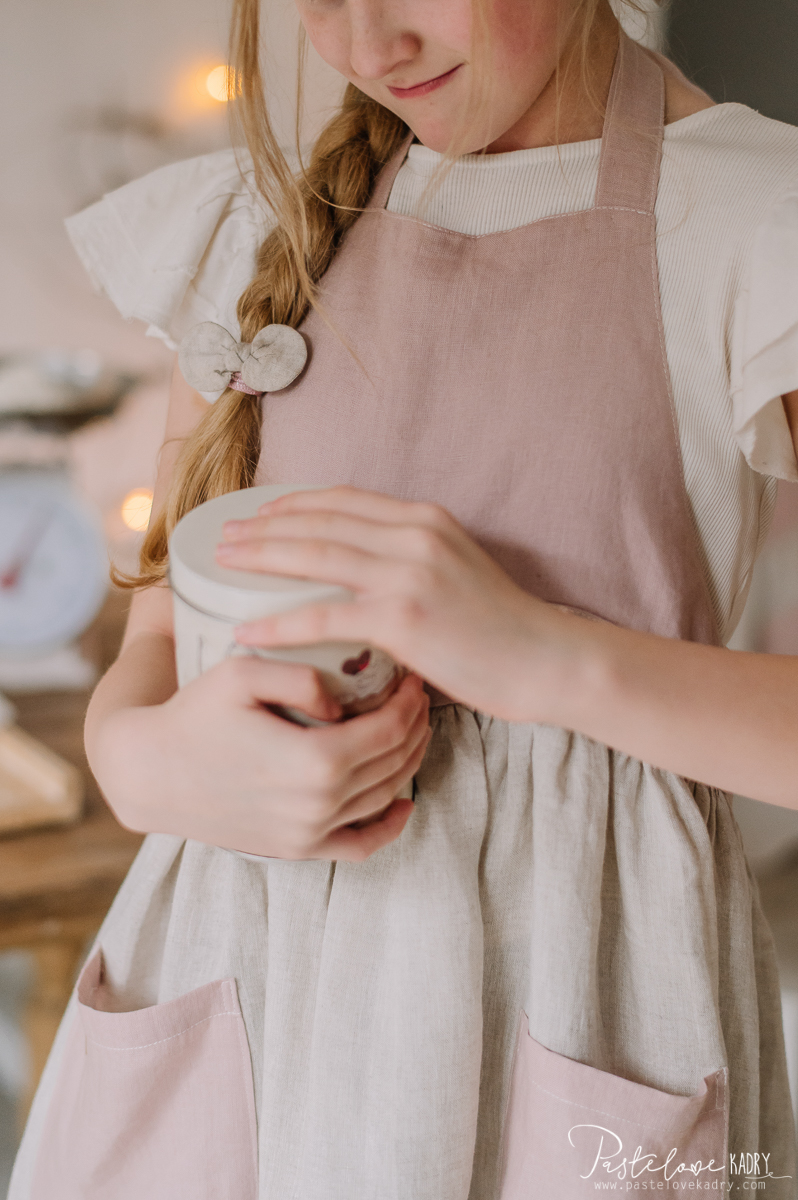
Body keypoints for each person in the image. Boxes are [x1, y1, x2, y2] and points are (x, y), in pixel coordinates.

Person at [10, 0, 798, 1195]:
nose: (370, 42)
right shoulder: (256, 222)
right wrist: (134, 756)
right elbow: (165, 627)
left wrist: (541, 657)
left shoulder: (756, 220)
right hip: (243, 991)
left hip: (584, 1003)